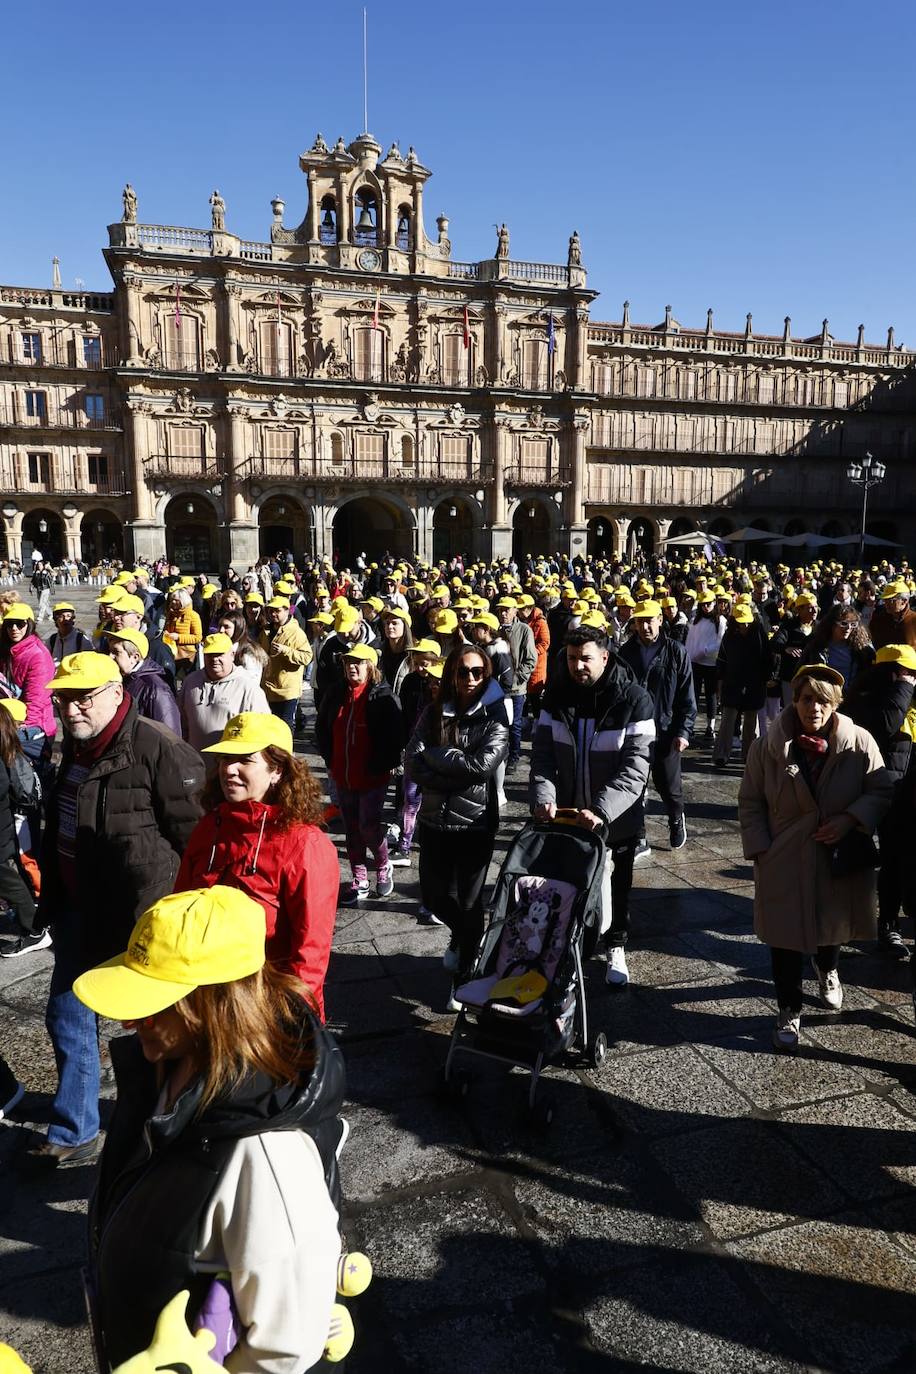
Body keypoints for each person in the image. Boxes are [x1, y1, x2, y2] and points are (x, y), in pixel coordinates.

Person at [74, 885, 343, 1371]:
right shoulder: (168, 1067)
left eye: (152, 1005)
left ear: (213, 1005)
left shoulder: (266, 1157)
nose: (132, 1022)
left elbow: (288, 1347)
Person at [29, 653, 204, 1165]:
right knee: (66, 1015)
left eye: (83, 697)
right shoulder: (77, 744)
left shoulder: (159, 748)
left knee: (159, 1031)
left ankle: (166, 1128)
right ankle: (75, 1129)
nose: (71, 708)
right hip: (76, 909)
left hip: (139, 920)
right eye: (63, 698)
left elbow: (196, 842)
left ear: (115, 690)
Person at [738, 664, 892, 1050]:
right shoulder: (768, 745)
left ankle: (828, 969)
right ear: (796, 700)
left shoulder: (859, 742)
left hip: (834, 854)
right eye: (808, 699)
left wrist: (849, 819)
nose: (815, 709)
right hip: (784, 857)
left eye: (824, 701)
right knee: (784, 938)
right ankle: (788, 1007)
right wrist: (760, 848)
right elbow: (751, 800)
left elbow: (880, 790)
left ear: (835, 704)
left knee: (831, 926)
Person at [174, 713, 339, 1020]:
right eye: (225, 759)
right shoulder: (210, 826)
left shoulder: (305, 845)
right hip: (203, 1001)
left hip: (266, 1009)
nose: (229, 770)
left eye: (244, 760)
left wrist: (298, 1022)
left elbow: (310, 952)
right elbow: (179, 909)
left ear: (276, 770)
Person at [530, 623, 654, 986]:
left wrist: (601, 810)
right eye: (571, 658)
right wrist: (544, 797)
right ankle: (568, 948)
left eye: (585, 658)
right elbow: (542, 754)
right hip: (568, 815)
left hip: (616, 818)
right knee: (569, 884)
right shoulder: (555, 696)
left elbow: (635, 768)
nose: (577, 666)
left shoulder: (633, 699)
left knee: (618, 887)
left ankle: (615, 945)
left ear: (604, 656)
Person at [406, 645, 509, 1003]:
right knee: (434, 897)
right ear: (451, 672)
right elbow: (412, 762)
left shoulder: (495, 714)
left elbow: (480, 767)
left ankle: (465, 975)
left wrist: (437, 761)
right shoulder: (433, 713)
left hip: (475, 824)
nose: (469, 679)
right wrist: (450, 767)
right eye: (463, 671)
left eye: (478, 672)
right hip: (435, 820)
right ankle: (469, 939)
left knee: (468, 902)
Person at [842, 643, 916, 961]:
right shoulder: (865, 699)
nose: (912, 679)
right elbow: (884, 724)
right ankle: (868, 925)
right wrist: (902, 689)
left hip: (905, 791)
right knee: (872, 859)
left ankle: (891, 924)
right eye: (906, 673)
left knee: (899, 861)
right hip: (874, 791)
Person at [316, 644, 402, 902]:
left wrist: (383, 763)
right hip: (342, 773)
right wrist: (329, 758)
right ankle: (359, 878)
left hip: (372, 775)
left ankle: (383, 866)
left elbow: (396, 736)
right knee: (351, 828)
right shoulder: (336, 693)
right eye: (348, 662)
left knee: (368, 825)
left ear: (370, 666)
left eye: (358, 662)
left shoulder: (382, 696)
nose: (352, 667)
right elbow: (322, 727)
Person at [619, 599, 696, 853]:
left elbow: (687, 696)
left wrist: (684, 731)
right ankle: (639, 836)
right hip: (635, 730)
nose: (645, 626)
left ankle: (676, 818)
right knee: (634, 785)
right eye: (640, 621)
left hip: (666, 729)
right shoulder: (626, 651)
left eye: (649, 620)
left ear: (660, 621)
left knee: (669, 786)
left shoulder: (676, 651)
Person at [0, 699, 45, 957]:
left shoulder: (11, 754)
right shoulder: (11, 749)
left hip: (18, 820)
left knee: (26, 864)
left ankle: (37, 909)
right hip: (14, 822)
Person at [178, 632, 270, 758]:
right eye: (210, 655)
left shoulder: (248, 687)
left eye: (220, 654)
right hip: (194, 765)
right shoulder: (190, 682)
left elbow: (263, 731)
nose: (215, 659)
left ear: (232, 655)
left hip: (230, 767)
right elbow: (180, 721)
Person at [712, 604, 773, 767]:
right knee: (727, 719)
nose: (745, 625)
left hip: (755, 683)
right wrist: (720, 681)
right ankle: (721, 754)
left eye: (747, 622)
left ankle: (748, 755)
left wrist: (768, 677)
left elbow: (768, 657)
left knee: (751, 723)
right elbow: (722, 660)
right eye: (741, 622)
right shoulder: (729, 636)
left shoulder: (760, 634)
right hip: (732, 682)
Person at [0, 602, 56, 767]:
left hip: (34, 727)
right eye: (10, 624)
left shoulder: (37, 655)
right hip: (13, 721)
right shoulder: (9, 649)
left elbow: (35, 700)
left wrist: (23, 730)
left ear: (29, 624)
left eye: (20, 623)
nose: (14, 628)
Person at [107, 627, 181, 734]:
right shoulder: (122, 679)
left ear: (135, 657)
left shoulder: (157, 689)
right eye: (110, 651)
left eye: (116, 652)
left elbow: (170, 737)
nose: (110, 657)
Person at [495, 596, 537, 770]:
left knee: (515, 724)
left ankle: (514, 755)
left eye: (507, 610)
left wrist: (517, 678)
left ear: (515, 611)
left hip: (515, 688)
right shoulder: (495, 630)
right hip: (497, 688)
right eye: (500, 610)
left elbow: (530, 659)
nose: (503, 613)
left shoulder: (523, 629)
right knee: (498, 724)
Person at [259, 595, 312, 728]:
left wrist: (286, 651)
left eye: (277, 611)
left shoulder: (296, 632)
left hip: (287, 691)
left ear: (287, 611)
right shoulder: (265, 630)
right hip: (268, 688)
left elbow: (306, 657)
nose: (273, 614)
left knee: (285, 727)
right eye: (270, 610)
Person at [801, 604, 875, 689]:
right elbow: (802, 672)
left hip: (852, 697)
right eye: (844, 623)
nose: (848, 628)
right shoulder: (816, 645)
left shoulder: (863, 647)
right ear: (832, 623)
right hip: (825, 695)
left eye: (853, 624)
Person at [685, 592, 725, 738]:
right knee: (693, 694)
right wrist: (689, 655)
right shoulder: (696, 620)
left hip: (711, 663)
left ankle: (710, 726)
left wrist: (705, 651)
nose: (706, 607)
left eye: (708, 604)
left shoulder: (720, 620)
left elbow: (720, 642)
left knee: (710, 696)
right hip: (695, 662)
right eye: (703, 604)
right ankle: (691, 725)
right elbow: (691, 639)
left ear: (714, 603)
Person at [214, 606, 269, 683]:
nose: (221, 630)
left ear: (237, 628)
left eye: (226, 627)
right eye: (220, 626)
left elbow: (252, 682)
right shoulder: (219, 648)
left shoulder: (248, 653)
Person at [163, 588, 202, 680]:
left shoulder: (193, 616)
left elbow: (198, 637)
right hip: (172, 652)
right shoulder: (170, 614)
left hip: (187, 655)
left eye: (176, 600)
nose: (173, 602)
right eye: (172, 599)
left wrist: (178, 637)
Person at [868, 580, 916, 650]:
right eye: (885, 600)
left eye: (891, 600)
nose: (886, 604)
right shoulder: (878, 619)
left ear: (904, 601)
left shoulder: (913, 620)